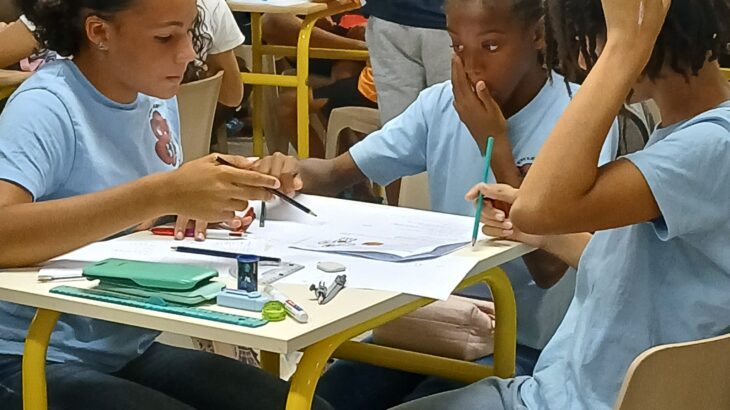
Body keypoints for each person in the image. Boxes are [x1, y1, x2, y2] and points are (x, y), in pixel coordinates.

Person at [253, 0, 618, 407]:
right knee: (314, 399)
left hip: (524, 342)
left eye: (490, 46)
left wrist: (493, 145)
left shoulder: (579, 117)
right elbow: (336, 173)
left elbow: (548, 269)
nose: (472, 67)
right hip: (432, 323)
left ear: (536, 35)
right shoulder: (442, 103)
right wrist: (281, 171)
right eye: (457, 47)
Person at [390, 0, 730, 408]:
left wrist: (624, 46)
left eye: (593, 42)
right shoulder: (689, 139)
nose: (585, 61)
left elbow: (538, 207)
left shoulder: (712, 145)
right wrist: (540, 234)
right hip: (557, 389)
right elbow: (624, 270)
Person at [0, 1, 329, 409]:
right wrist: (160, 193)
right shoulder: (46, 106)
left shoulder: (153, 97)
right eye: (165, 37)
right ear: (99, 33)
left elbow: (139, 213)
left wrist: (224, 189)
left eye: (190, 32)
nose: (188, 53)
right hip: (26, 352)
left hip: (119, 344)